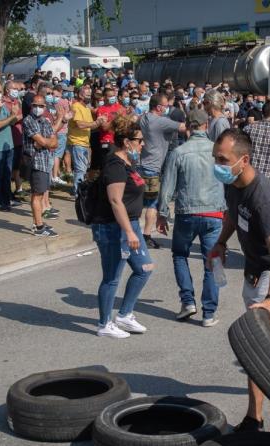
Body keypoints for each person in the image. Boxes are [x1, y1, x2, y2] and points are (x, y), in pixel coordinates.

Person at [207, 129, 270, 432]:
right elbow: (234, 215)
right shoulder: (234, 182)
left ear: (243, 159)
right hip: (253, 267)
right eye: (215, 157)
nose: (217, 164)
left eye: (223, 159)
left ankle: (254, 418)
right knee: (264, 339)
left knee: (255, 342)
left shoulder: (264, 197)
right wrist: (221, 242)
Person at [156, 109, 227, 327]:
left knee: (179, 255)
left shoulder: (179, 152)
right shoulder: (217, 150)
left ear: (189, 125)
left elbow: (167, 187)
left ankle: (187, 301)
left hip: (186, 212)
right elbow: (230, 179)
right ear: (207, 125)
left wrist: (162, 213)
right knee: (213, 261)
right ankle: (209, 312)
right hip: (214, 212)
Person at [90, 115, 155, 339]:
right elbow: (116, 201)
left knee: (144, 268)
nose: (142, 144)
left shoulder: (129, 161)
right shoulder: (115, 165)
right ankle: (104, 324)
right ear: (127, 142)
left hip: (131, 225)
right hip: (112, 228)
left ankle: (125, 315)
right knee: (112, 277)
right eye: (139, 140)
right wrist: (128, 231)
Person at [138, 92, 187, 249]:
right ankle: (145, 236)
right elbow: (183, 127)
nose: (168, 108)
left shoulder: (144, 117)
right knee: (152, 204)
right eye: (166, 106)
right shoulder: (161, 121)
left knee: (137, 202)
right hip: (152, 168)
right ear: (159, 107)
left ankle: (131, 231)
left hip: (139, 164)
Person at [22, 94, 63, 237]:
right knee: (37, 195)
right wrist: (45, 142)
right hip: (36, 163)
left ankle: (37, 223)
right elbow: (45, 141)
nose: (37, 108)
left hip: (45, 163)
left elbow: (54, 142)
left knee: (40, 194)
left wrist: (44, 142)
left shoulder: (45, 121)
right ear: (31, 106)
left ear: (45, 107)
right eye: (35, 105)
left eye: (41, 106)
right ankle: (38, 226)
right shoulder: (28, 121)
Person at [0, 82, 21, 211]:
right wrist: (12, 116)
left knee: (7, 174)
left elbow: (11, 122)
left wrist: (14, 115)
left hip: (9, 145)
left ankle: (7, 199)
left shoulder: (4, 105)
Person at [69, 84, 101, 193]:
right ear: (80, 95)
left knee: (83, 168)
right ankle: (78, 193)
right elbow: (80, 124)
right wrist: (96, 123)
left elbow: (91, 124)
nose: (89, 97)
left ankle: (79, 190)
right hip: (77, 142)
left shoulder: (86, 108)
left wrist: (99, 121)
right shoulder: (76, 106)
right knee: (80, 169)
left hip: (85, 143)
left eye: (90, 95)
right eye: (87, 95)